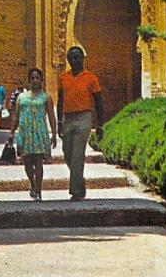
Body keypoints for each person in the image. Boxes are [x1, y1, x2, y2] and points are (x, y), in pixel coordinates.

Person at [56, 45, 103, 201]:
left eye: (77, 57)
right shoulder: (63, 78)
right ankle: (80, 183)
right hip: (68, 119)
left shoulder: (91, 78)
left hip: (84, 118)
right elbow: (60, 101)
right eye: (71, 58)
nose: (74, 61)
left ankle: (76, 191)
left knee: (77, 155)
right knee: (67, 153)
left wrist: (100, 124)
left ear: (83, 58)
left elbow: (98, 102)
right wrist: (59, 123)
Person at [7, 68, 57, 200]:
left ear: (41, 80)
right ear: (29, 80)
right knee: (27, 162)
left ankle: (39, 191)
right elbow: (16, 116)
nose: (35, 80)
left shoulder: (46, 98)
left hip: (40, 133)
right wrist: (11, 133)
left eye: (37, 78)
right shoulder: (21, 98)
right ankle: (33, 184)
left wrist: (54, 134)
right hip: (25, 133)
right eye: (33, 78)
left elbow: (51, 117)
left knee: (38, 162)